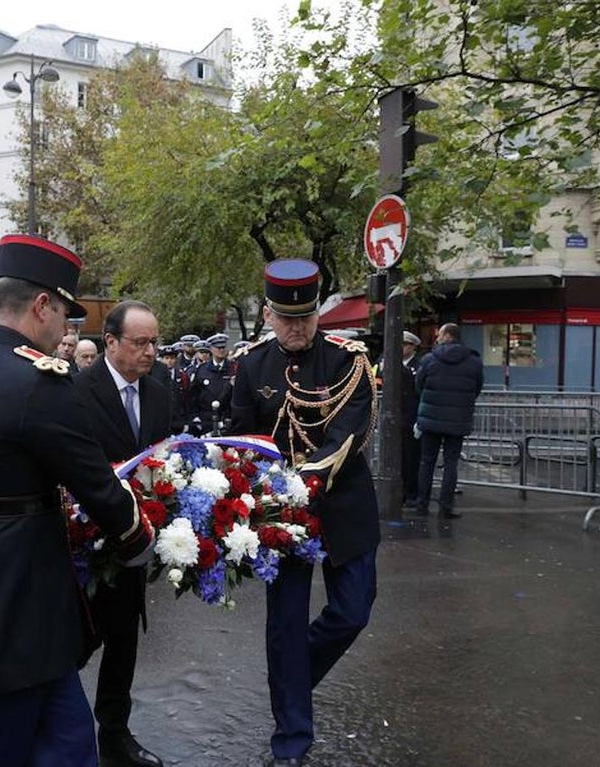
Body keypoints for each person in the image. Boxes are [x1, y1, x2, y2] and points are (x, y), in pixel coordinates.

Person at [0, 234, 154, 767]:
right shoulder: (39, 380)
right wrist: (141, 538)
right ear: (42, 304)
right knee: (4, 748)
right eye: (65, 313)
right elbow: (94, 482)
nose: (67, 328)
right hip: (16, 598)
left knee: (59, 742)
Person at [229, 259, 379, 767]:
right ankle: (291, 740)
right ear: (269, 314)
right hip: (279, 518)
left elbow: (346, 438)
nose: (297, 328)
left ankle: (291, 678)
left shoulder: (349, 361)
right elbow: (243, 440)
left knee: (353, 611)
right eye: (287, 319)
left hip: (342, 506)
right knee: (285, 626)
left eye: (307, 318)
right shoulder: (251, 366)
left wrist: (303, 485)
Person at [74, 300, 170, 767]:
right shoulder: (75, 391)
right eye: (140, 342)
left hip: (136, 542)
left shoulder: (159, 391)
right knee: (74, 641)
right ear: (110, 342)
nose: (151, 351)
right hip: (85, 544)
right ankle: (57, 731)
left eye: (155, 342)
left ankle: (114, 735)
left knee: (124, 643)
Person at [414, 323, 484, 519]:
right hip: (458, 419)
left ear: (446, 335)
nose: (436, 338)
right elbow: (476, 388)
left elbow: (418, 385)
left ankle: (422, 505)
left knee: (427, 462)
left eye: (439, 334)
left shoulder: (429, 359)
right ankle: (446, 507)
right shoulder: (474, 361)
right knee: (451, 463)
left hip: (430, 418)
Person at [188, 333, 233, 436]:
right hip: (206, 420)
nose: (221, 350)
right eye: (218, 347)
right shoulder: (202, 369)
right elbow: (193, 395)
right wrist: (195, 416)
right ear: (211, 349)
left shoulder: (233, 368)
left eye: (223, 347)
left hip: (226, 420)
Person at [399, 331, 422, 507]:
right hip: (396, 417)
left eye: (405, 344)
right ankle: (400, 491)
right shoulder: (389, 363)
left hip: (411, 415)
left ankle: (411, 492)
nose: (401, 348)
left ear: (413, 346)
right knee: (397, 457)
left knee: (411, 457)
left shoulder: (418, 365)